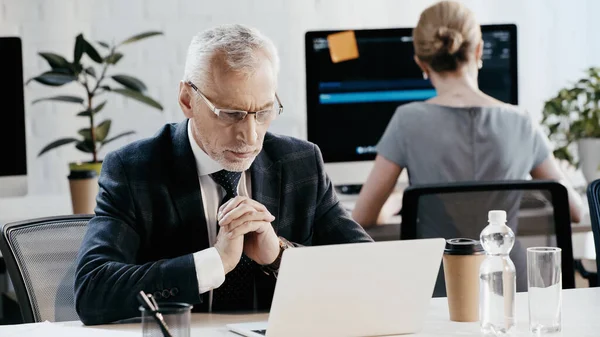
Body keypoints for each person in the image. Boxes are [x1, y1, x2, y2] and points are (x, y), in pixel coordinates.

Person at [74, 24, 373, 325]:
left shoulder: (301, 162)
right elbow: (92, 291)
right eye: (231, 114)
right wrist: (213, 263)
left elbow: (372, 270)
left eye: (263, 112)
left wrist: (281, 255)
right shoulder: (134, 169)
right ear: (187, 100)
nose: (250, 136)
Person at [352, 0, 583, 227]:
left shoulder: (406, 121)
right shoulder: (521, 122)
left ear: (421, 63)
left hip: (439, 266)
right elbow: (574, 210)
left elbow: (361, 218)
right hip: (506, 265)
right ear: (479, 50)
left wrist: (396, 201)